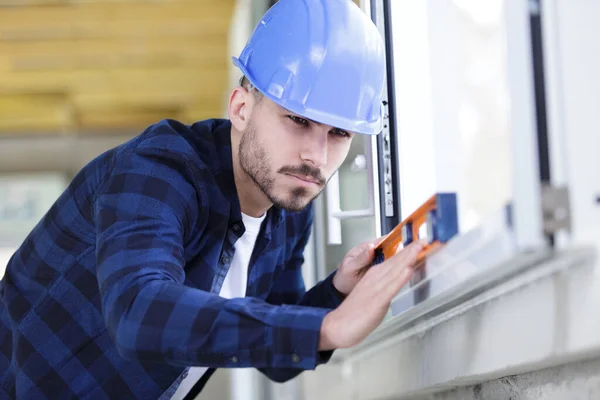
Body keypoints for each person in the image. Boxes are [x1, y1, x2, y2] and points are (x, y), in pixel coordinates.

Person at [0, 0, 424, 399]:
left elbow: (278, 352)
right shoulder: (158, 171)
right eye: (297, 120)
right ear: (241, 108)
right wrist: (327, 329)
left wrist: (337, 291)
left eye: (338, 133)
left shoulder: (289, 204)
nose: (316, 156)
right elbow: (137, 312)